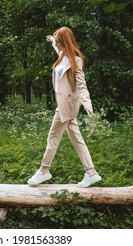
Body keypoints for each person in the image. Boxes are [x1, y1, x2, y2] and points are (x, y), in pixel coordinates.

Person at [27, 26, 101, 188]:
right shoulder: (62, 55)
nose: (58, 45)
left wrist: (87, 102)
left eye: (60, 42)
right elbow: (58, 50)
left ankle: (44, 170)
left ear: (65, 43)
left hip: (66, 105)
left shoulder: (76, 60)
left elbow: (81, 84)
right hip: (64, 104)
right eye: (57, 43)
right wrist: (53, 41)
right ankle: (91, 172)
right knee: (77, 139)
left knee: (53, 137)